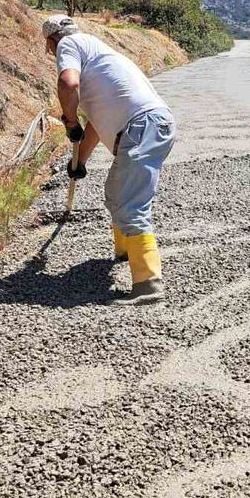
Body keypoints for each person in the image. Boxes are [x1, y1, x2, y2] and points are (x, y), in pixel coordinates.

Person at [43, 15, 176, 306]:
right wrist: (80, 162)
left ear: (52, 42)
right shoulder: (99, 54)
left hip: (141, 127)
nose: (53, 53)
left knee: (130, 202)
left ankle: (148, 284)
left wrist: (68, 119)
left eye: (49, 49)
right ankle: (126, 252)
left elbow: (67, 83)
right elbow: (94, 125)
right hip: (154, 125)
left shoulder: (69, 45)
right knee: (116, 191)